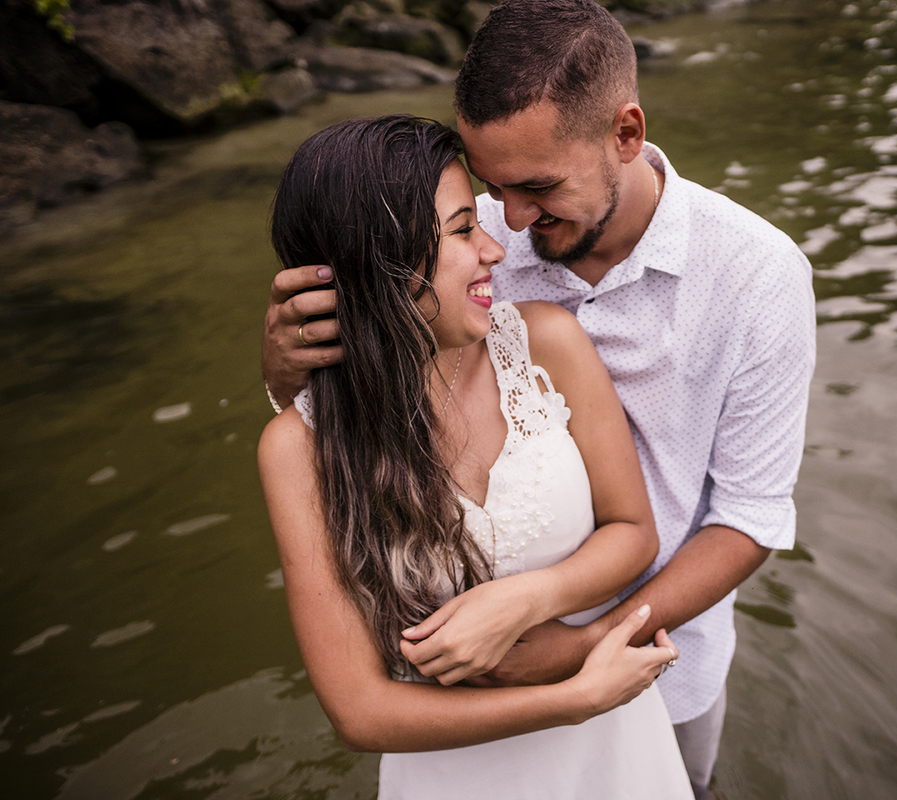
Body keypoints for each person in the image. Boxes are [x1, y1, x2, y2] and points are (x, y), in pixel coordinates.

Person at [261, 1, 816, 796]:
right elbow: (352, 399)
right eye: (493, 189)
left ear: (626, 134)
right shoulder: (453, 243)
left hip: (662, 656)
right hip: (461, 703)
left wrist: (578, 648)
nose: (512, 222)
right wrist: (288, 375)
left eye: (536, 187)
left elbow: (750, 515)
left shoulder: (757, 275)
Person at [258, 114, 693, 798]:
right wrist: (571, 701)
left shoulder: (546, 344)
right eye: (463, 230)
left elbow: (634, 533)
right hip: (461, 763)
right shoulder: (298, 447)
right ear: (383, 261)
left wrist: (527, 600)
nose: (494, 249)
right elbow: (360, 713)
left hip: (618, 752)